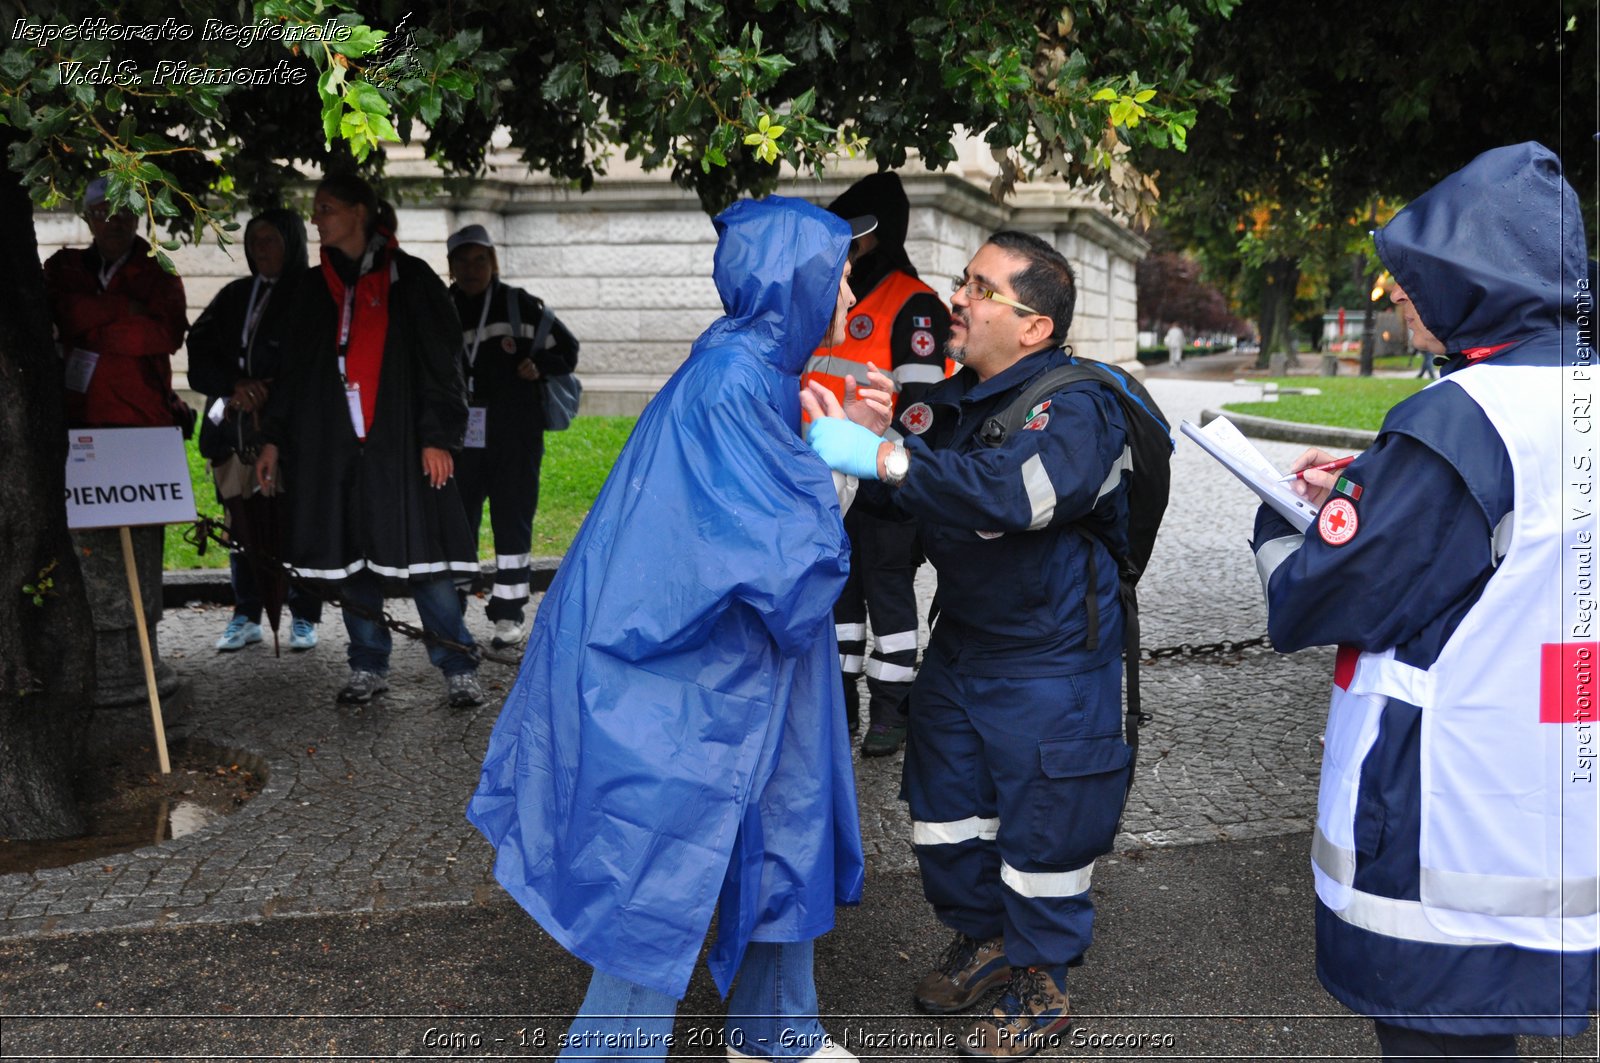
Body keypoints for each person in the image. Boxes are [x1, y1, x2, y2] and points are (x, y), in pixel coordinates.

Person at [467, 196, 893, 1062]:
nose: (851, 285)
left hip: (730, 657)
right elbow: (785, 558)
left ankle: (778, 1027)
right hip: (688, 667)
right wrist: (853, 452)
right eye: (839, 268)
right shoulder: (738, 381)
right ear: (794, 278)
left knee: (782, 825)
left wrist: (834, 440)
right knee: (659, 858)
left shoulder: (755, 366)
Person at [1249, 143, 1597, 1059]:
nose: (1398, 294)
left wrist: (1291, 522)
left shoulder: (1457, 419)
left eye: (1415, 275)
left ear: (1476, 277)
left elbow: (1320, 598)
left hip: (1444, 802)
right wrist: (1381, 485)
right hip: (1557, 772)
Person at [804, 231, 1135, 1056]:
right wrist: (869, 444)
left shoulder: (1080, 404)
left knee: (1044, 829)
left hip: (1051, 658)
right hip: (967, 647)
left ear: (1033, 326)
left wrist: (889, 459)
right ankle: (985, 940)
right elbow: (899, 515)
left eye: (981, 288)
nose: (958, 296)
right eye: (965, 280)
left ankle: (1043, 982)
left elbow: (1019, 494)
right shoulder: (958, 402)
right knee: (946, 816)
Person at [255, 174, 485, 709]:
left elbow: (443, 366)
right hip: (332, 448)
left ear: (360, 212)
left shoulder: (413, 280)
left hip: (401, 445)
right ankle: (367, 662)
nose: (315, 218)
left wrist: (438, 437)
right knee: (351, 558)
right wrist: (271, 440)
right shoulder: (311, 290)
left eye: (326, 207)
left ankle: (457, 661)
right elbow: (290, 375)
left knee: (424, 560)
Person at [801, 172, 950, 756]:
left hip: (881, 479)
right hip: (824, 477)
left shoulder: (912, 303)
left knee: (888, 597)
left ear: (873, 237)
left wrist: (885, 468)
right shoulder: (833, 294)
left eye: (851, 238)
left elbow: (923, 408)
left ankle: (891, 711)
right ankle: (839, 704)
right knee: (837, 598)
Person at [45, 175, 189, 700]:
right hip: (80, 427)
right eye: (104, 211)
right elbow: (68, 313)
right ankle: (102, 662)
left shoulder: (159, 270)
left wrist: (95, 327)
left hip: (142, 430)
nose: (116, 221)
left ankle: (145, 661)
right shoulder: (64, 269)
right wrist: (123, 315)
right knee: (90, 548)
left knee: (143, 550)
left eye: (126, 211)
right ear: (87, 218)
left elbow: (163, 333)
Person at [187, 209, 322, 652]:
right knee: (240, 521)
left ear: (292, 242)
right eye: (255, 241)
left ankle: (303, 613)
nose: (261, 248)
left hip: (291, 432)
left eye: (271, 239)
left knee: (294, 520)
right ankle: (246, 612)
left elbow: (313, 363)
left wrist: (271, 391)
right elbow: (199, 349)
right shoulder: (234, 295)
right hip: (235, 430)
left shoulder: (312, 293)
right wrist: (235, 385)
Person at [444, 224, 579, 649]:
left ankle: (509, 613)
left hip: (515, 439)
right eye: (462, 261)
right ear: (450, 267)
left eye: (479, 260)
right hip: (457, 440)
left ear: (493, 262)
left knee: (512, 523)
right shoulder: (441, 308)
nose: (471, 269)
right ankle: (452, 610)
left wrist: (539, 364)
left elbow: (568, 351)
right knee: (456, 525)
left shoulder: (520, 305)